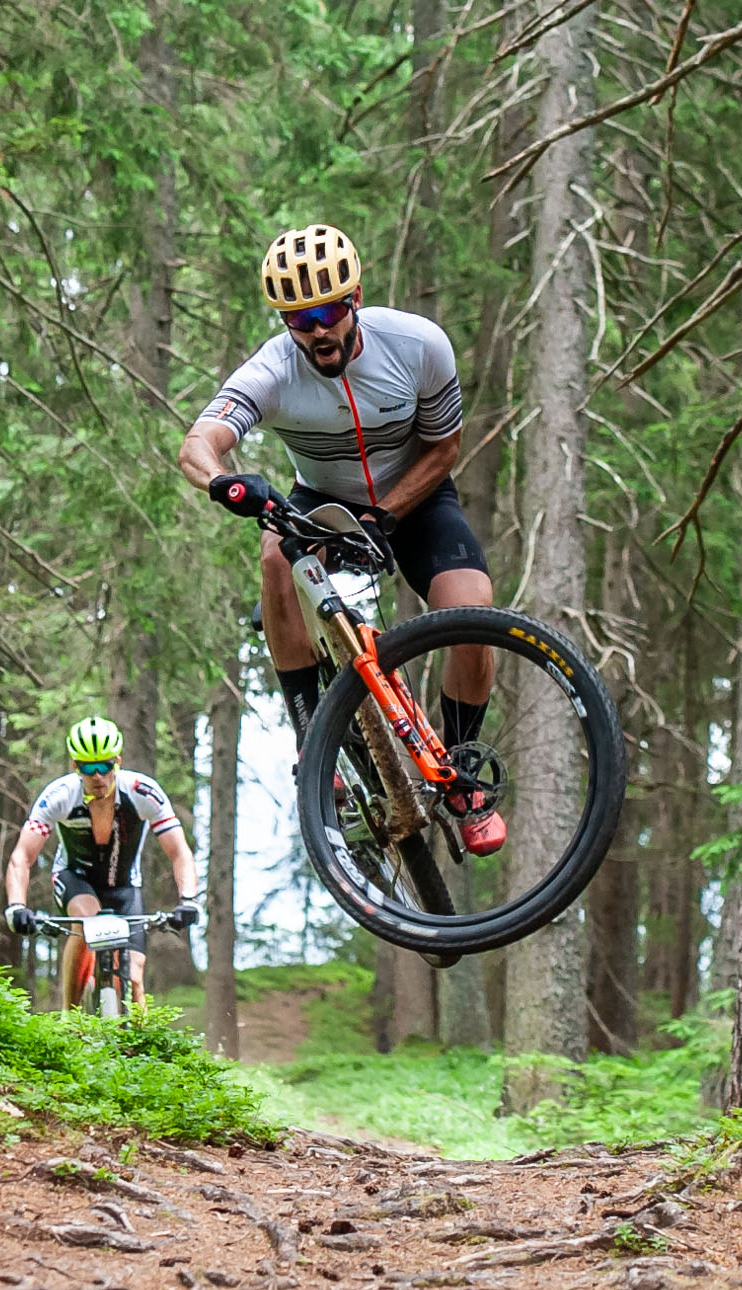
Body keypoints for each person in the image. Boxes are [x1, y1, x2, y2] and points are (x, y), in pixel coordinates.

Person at [175, 223, 505, 855]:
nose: (317, 329)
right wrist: (222, 481)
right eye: (299, 318)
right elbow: (199, 441)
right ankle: (314, 736)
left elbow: (444, 448)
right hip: (321, 501)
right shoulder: (274, 368)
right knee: (276, 556)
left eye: (329, 310)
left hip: (414, 491)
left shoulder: (417, 345)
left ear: (355, 299)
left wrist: (385, 513)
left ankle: (462, 774)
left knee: (471, 610)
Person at [1, 716, 199, 1006]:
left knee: (134, 977)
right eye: (88, 768)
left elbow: (179, 852)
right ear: (74, 767)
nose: (98, 777)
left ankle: (141, 1046)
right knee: (87, 920)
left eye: (105, 766)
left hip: (124, 885)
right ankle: (70, 1014)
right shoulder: (59, 796)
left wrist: (189, 899)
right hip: (74, 877)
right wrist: (16, 906)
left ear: (117, 761)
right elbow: (22, 856)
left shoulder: (143, 792)